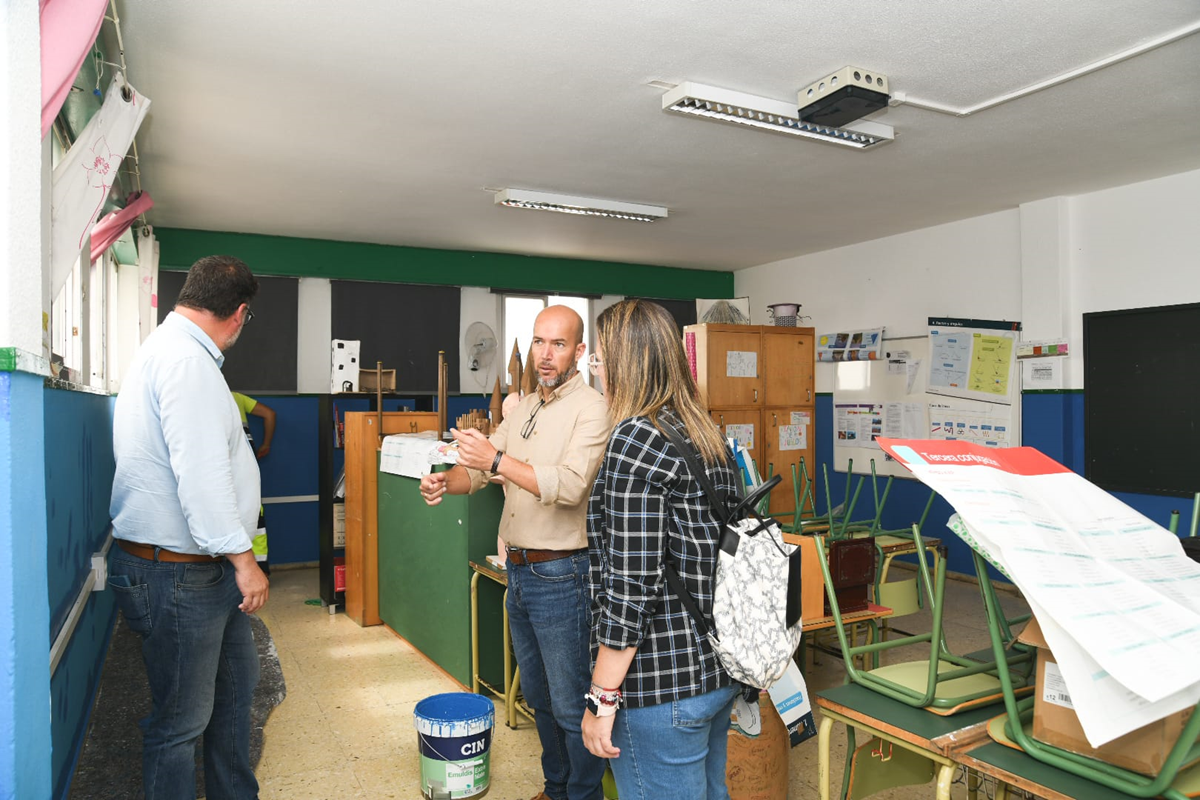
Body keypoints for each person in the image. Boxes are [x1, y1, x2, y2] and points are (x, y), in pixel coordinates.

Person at [419, 305, 611, 800]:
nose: (545, 356)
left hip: (564, 574)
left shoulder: (593, 409)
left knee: (571, 706)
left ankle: (582, 796)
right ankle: (556, 787)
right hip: (520, 573)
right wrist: (449, 480)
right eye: (539, 342)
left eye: (559, 344)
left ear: (579, 351)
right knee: (541, 700)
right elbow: (480, 472)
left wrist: (497, 458)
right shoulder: (523, 407)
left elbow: (569, 487)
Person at [108, 255, 269, 800]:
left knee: (234, 693)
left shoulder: (169, 351)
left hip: (196, 572)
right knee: (179, 724)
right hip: (179, 576)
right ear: (240, 314)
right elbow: (200, 479)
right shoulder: (186, 363)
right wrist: (245, 561)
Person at [581, 299, 744, 800]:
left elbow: (632, 584)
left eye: (601, 360)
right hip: (715, 670)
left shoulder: (636, 440)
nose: (597, 371)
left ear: (627, 364)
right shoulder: (704, 432)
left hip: (660, 684)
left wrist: (602, 698)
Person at [232, 391, 277, 573]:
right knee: (253, 508)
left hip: (224, 453)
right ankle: (259, 568)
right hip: (247, 455)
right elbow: (270, 414)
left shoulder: (203, 395)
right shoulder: (237, 396)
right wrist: (266, 444)